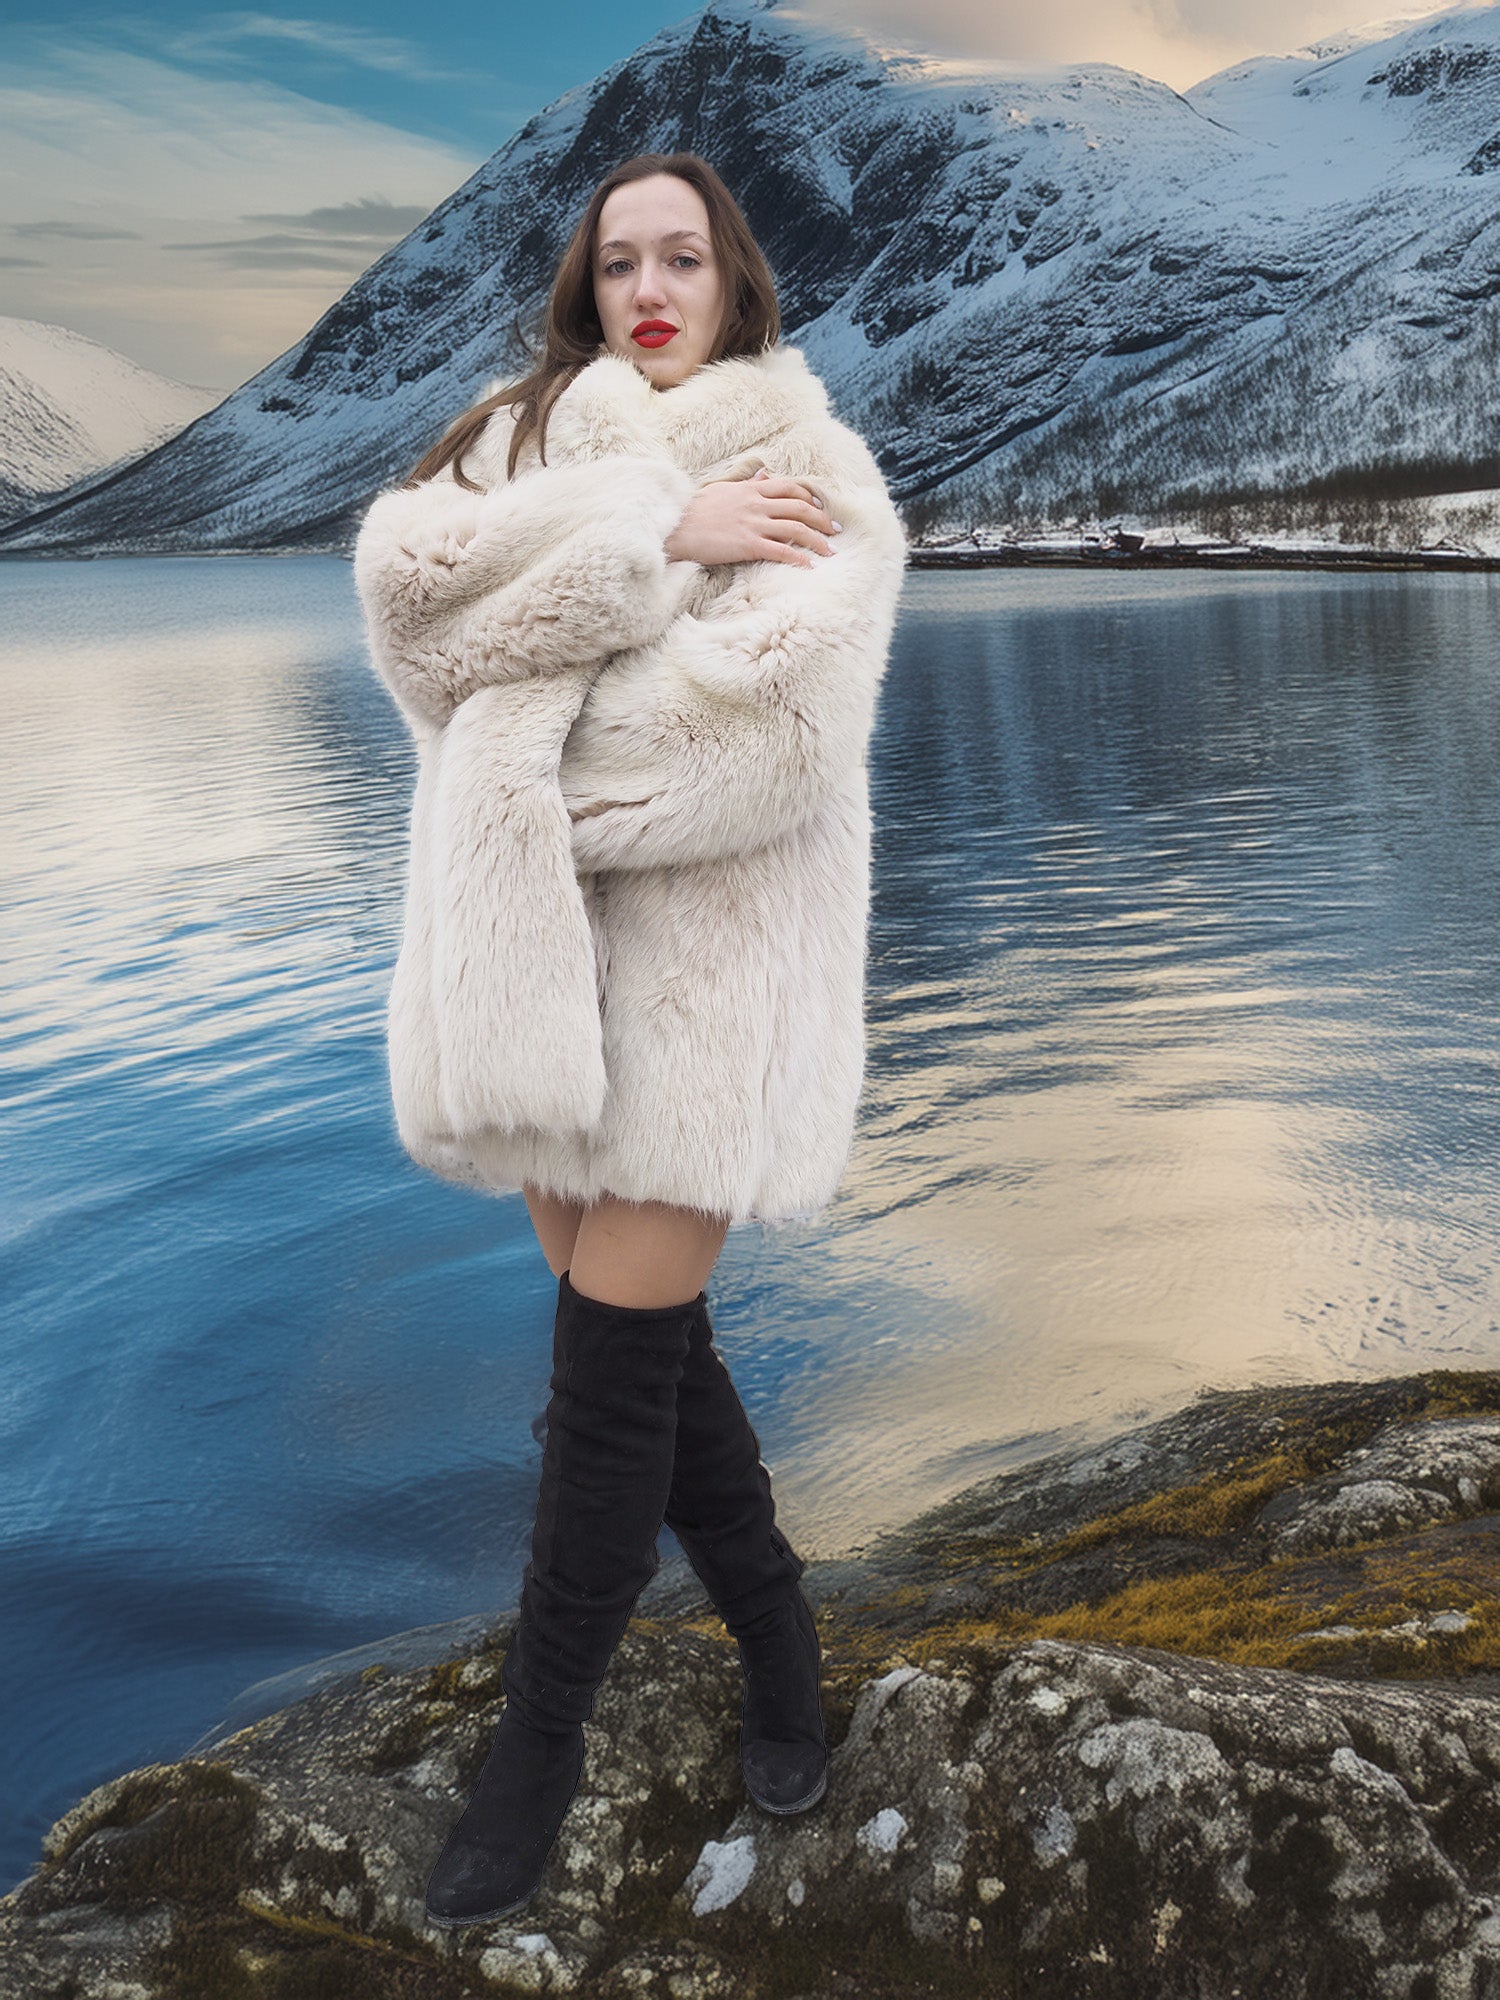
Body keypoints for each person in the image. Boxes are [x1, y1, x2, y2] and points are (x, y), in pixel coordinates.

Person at [352, 150, 908, 1930]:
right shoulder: (522, 440)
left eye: (682, 259)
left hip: (714, 994)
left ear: (735, 278)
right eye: (618, 265)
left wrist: (510, 741)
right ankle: (783, 1644)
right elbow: (406, 611)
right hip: (535, 985)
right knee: (657, 1374)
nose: (650, 292)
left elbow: (757, 743)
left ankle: (535, 1755)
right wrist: (650, 543)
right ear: (584, 287)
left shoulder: (812, 473)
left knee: (604, 1386)